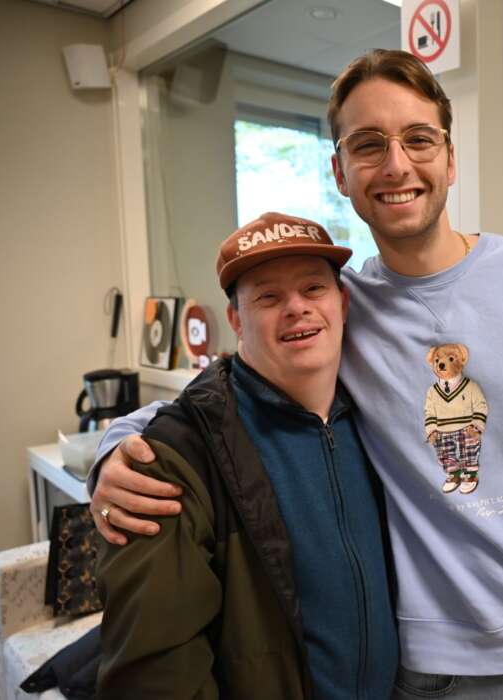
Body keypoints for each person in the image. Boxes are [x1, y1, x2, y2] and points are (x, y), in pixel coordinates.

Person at [90, 49, 503, 697]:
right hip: (443, 671)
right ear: (340, 172)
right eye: (368, 145)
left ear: (450, 159)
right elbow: (236, 389)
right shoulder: (347, 310)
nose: (396, 165)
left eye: (418, 139)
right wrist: (119, 445)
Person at [95, 214, 398, 699]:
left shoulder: (379, 417)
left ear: (342, 303)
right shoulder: (173, 460)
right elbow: (154, 670)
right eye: (268, 297)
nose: (297, 308)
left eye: (313, 288)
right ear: (236, 320)